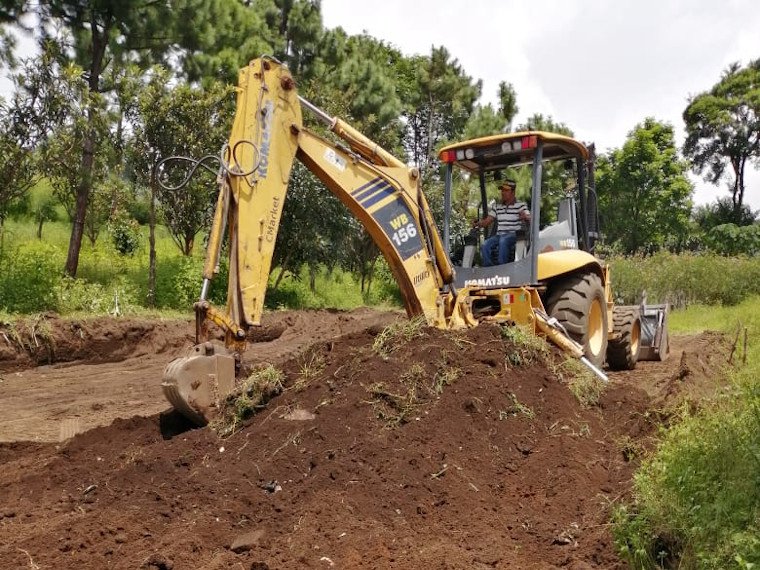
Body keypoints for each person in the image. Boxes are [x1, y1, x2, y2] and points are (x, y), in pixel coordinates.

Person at [473, 179, 530, 266]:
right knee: (485, 244)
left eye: (506, 190)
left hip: (514, 234)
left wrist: (525, 217)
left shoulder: (520, 205)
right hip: (499, 235)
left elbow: (529, 217)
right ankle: (489, 269)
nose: (503, 192)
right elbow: (486, 222)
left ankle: (502, 267)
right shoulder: (497, 206)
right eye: (502, 190)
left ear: (513, 192)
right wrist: (477, 224)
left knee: (504, 240)